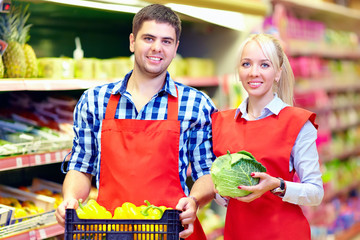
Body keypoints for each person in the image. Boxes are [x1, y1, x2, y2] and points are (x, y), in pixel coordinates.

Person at [55, 4, 216, 239]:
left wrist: (194, 201)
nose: (156, 48)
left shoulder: (196, 104)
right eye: (148, 38)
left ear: (176, 47)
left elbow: (207, 173)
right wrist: (70, 201)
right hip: (108, 231)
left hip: (170, 230)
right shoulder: (94, 100)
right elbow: (81, 166)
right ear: (132, 41)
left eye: (166, 41)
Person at [211, 33, 324, 240]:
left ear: (278, 73)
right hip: (238, 233)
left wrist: (278, 185)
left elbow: (316, 192)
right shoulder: (221, 122)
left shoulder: (297, 122)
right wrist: (222, 192)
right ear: (239, 70)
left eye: (264, 65)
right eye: (246, 64)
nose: (254, 73)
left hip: (284, 233)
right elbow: (221, 195)